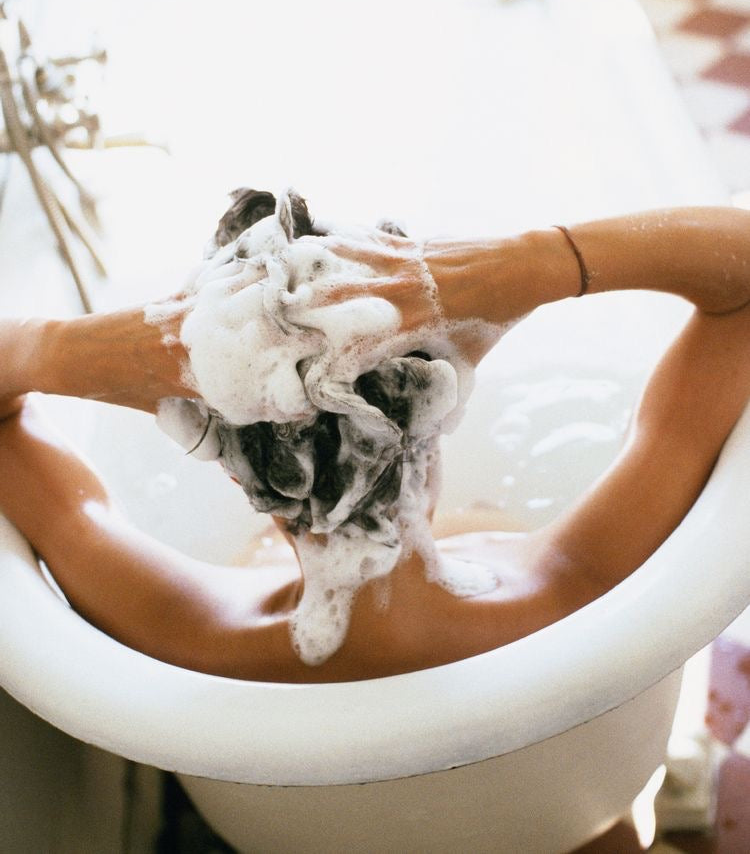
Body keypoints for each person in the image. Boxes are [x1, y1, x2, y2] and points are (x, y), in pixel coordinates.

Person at [2, 202, 750, 683]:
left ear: (240, 475)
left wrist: (70, 348)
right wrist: (521, 267)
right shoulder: (576, 587)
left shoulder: (193, 636)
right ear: (439, 411)